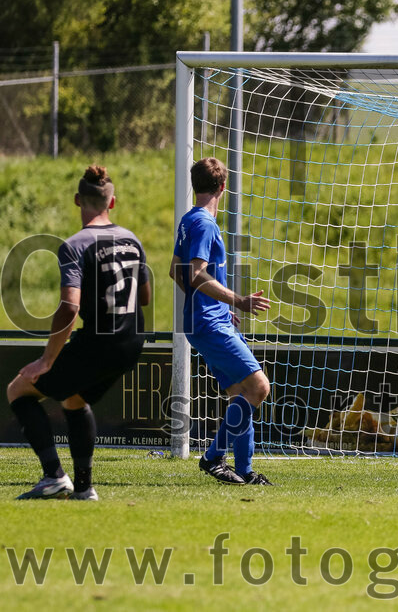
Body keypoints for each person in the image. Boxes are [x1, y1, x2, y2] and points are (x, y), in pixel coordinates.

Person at [6, 165, 150, 500]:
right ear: (112, 203)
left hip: (100, 342)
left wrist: (46, 359)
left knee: (19, 390)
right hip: (133, 342)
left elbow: (70, 308)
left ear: (77, 200)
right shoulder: (131, 239)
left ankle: (53, 477)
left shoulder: (75, 245)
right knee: (74, 398)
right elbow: (143, 297)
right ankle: (84, 489)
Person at [170, 157, 273, 486]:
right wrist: (238, 301)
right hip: (208, 323)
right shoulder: (204, 224)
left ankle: (244, 472)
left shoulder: (188, 220)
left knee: (240, 394)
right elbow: (196, 273)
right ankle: (214, 457)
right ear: (222, 188)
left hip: (207, 319)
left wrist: (212, 302)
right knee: (259, 387)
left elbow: (176, 271)